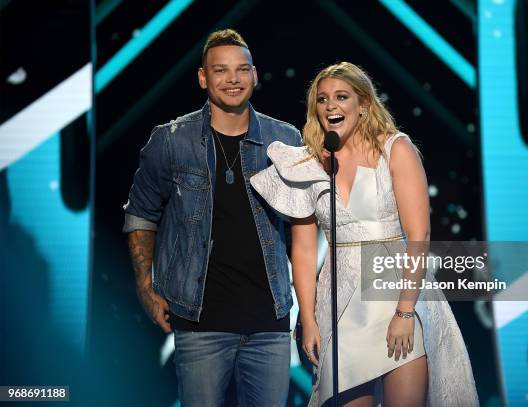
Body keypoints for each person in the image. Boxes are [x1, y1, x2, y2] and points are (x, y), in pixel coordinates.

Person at [250, 62, 478, 406]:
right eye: (323, 99)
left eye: (341, 97)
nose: (331, 106)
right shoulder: (307, 164)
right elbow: (304, 251)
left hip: (398, 298)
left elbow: (420, 234)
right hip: (341, 307)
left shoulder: (395, 150)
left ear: (364, 104)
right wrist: (307, 318)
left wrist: (404, 313)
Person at [123, 29, 302, 407]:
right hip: (198, 320)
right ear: (203, 77)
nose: (232, 79)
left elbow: (305, 224)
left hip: (269, 322)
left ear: (255, 75)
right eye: (220, 70)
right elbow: (141, 214)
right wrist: (145, 287)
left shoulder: (285, 139)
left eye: (241, 70)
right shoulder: (171, 140)